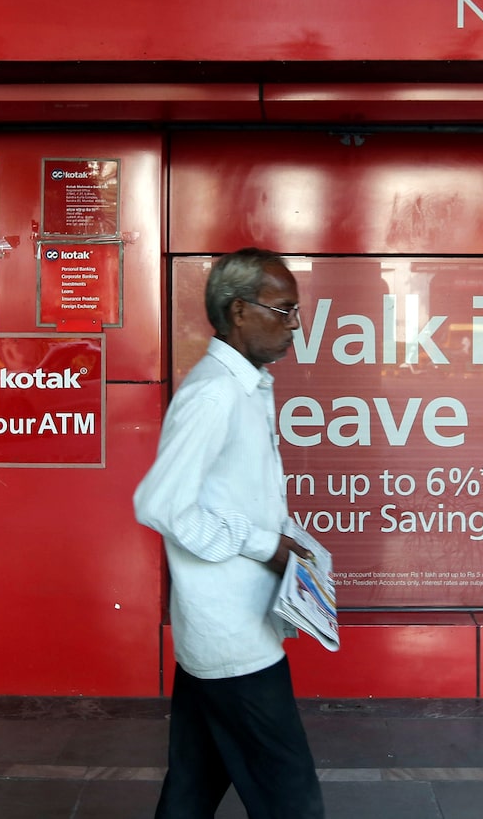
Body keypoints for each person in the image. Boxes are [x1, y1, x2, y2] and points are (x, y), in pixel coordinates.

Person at [133, 247, 324, 819]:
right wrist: (265, 545)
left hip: (225, 631)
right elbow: (159, 504)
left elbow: (236, 494)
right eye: (283, 309)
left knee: (192, 788)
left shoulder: (245, 387)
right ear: (239, 311)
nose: (295, 324)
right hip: (233, 637)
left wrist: (289, 543)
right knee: (292, 797)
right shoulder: (215, 394)